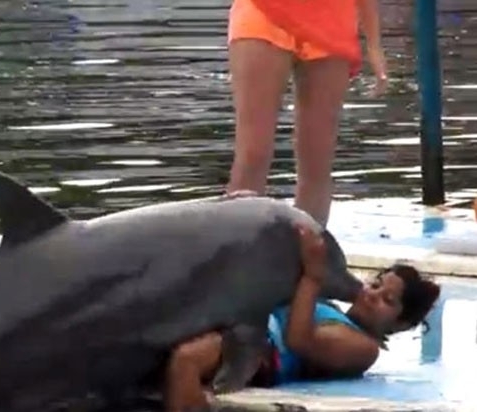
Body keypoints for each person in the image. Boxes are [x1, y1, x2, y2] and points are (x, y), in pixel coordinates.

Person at [164, 225, 441, 412]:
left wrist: (313, 275)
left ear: (401, 324)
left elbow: (298, 340)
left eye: (387, 300)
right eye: (376, 284)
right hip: (250, 326)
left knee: (186, 359)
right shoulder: (331, 306)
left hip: (262, 352)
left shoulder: (364, 348)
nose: (373, 294)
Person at [226, 0, 388, 226]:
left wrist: (374, 43)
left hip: (332, 19)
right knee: (254, 152)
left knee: (317, 159)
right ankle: (239, 252)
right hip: (263, 12)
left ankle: (309, 254)